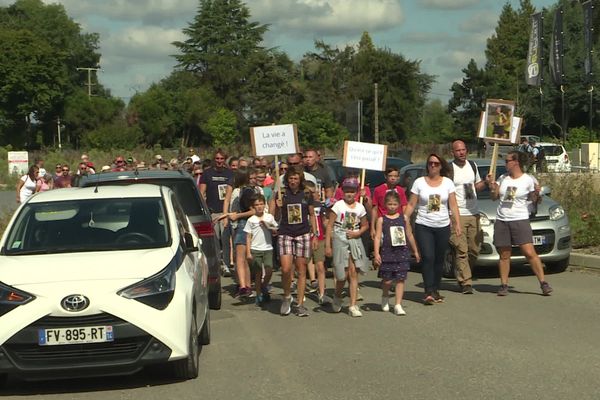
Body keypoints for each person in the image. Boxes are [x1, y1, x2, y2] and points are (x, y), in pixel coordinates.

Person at [486, 151, 553, 296]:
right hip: (502, 220)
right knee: (504, 254)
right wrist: (492, 187)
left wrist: (536, 193)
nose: (505, 164)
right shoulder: (503, 178)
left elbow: (536, 200)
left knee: (529, 252)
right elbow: (493, 197)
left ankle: (543, 283)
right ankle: (504, 284)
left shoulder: (528, 179)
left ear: (515, 162)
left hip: (520, 219)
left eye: (507, 161)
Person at [404, 154, 461, 305]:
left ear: (441, 165)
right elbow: (411, 204)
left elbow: (453, 205)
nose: (433, 166)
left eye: (436, 163)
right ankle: (428, 291)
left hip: (442, 225)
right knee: (428, 257)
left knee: (439, 259)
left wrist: (457, 223)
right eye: (430, 163)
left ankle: (435, 289)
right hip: (424, 225)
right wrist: (404, 218)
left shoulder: (447, 183)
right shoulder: (419, 182)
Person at [269, 166, 318, 317]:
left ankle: (300, 303)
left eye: (296, 178)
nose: (293, 181)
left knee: (301, 269)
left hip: (303, 233)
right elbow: (273, 215)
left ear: (300, 179)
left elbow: (311, 214)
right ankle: (287, 296)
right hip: (286, 233)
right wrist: (277, 208)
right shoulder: (281, 194)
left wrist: (315, 234)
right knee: (285, 268)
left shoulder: (306, 193)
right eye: (290, 178)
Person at [325, 177, 370, 317]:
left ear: (356, 192)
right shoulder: (338, 205)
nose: (349, 194)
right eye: (347, 191)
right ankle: (337, 296)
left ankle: (353, 305)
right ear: (343, 191)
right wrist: (328, 245)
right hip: (339, 237)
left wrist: (358, 233)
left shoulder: (360, 207)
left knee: (353, 271)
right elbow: (330, 226)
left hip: (354, 238)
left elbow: (365, 225)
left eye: (352, 191)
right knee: (342, 274)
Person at [449, 140, 487, 294]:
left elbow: (476, 187)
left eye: (464, 149)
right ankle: (466, 282)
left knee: (474, 249)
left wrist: (486, 182)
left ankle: (463, 272)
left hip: (474, 213)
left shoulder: (473, 165)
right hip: (457, 215)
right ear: (453, 152)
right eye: (458, 150)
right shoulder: (449, 169)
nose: (462, 153)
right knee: (462, 250)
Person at [374, 191, 420, 315]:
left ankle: (398, 304)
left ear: (399, 205)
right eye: (390, 204)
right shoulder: (381, 220)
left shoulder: (404, 218)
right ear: (385, 205)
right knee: (387, 280)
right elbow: (378, 237)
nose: (392, 206)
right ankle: (385, 296)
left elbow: (409, 235)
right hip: (387, 252)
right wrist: (376, 253)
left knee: (400, 279)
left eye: (395, 204)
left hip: (402, 252)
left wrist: (415, 250)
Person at [200, 149, 234, 276]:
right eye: (217, 159)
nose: (219, 161)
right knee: (215, 239)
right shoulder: (207, 174)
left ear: (225, 160)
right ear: (214, 160)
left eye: (221, 159)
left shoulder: (230, 174)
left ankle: (225, 265)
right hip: (213, 212)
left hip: (226, 212)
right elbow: (202, 193)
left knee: (225, 240)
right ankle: (215, 264)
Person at [227, 168, 260, 297]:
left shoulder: (247, 191)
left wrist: (238, 216)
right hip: (248, 225)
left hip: (244, 225)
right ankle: (247, 285)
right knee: (245, 259)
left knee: (240, 258)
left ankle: (243, 286)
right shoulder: (245, 191)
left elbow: (253, 211)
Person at [244, 194, 278, 305]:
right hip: (255, 248)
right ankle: (258, 294)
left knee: (269, 269)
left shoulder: (269, 217)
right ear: (253, 207)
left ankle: (264, 286)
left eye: (261, 204)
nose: (259, 207)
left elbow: (275, 230)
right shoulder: (251, 220)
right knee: (258, 273)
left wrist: (268, 225)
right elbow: (248, 237)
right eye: (257, 205)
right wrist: (248, 252)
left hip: (268, 247)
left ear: (265, 205)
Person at [304, 181, 332, 305]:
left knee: (320, 266)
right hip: (303, 238)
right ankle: (300, 290)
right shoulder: (300, 204)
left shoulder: (320, 206)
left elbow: (325, 221)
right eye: (306, 193)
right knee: (301, 266)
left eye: (312, 192)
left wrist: (331, 229)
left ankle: (322, 293)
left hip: (318, 238)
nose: (309, 195)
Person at [371, 166, 408, 241]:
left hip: (397, 223)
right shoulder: (378, 190)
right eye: (390, 176)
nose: (393, 178)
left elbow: (404, 207)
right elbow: (374, 209)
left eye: (395, 176)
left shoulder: (400, 190)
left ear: (398, 177)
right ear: (385, 176)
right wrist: (372, 227)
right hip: (383, 223)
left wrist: (404, 222)